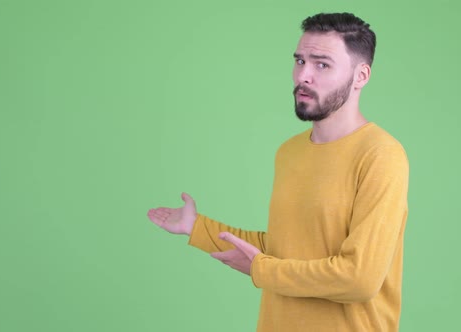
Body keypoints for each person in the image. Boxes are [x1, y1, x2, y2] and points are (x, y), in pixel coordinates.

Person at [147, 12, 409, 332]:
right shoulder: (290, 151)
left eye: (321, 64)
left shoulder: (381, 155)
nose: (303, 76)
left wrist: (262, 271)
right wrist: (197, 228)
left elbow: (359, 279)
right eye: (300, 61)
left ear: (361, 76)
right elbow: (289, 250)